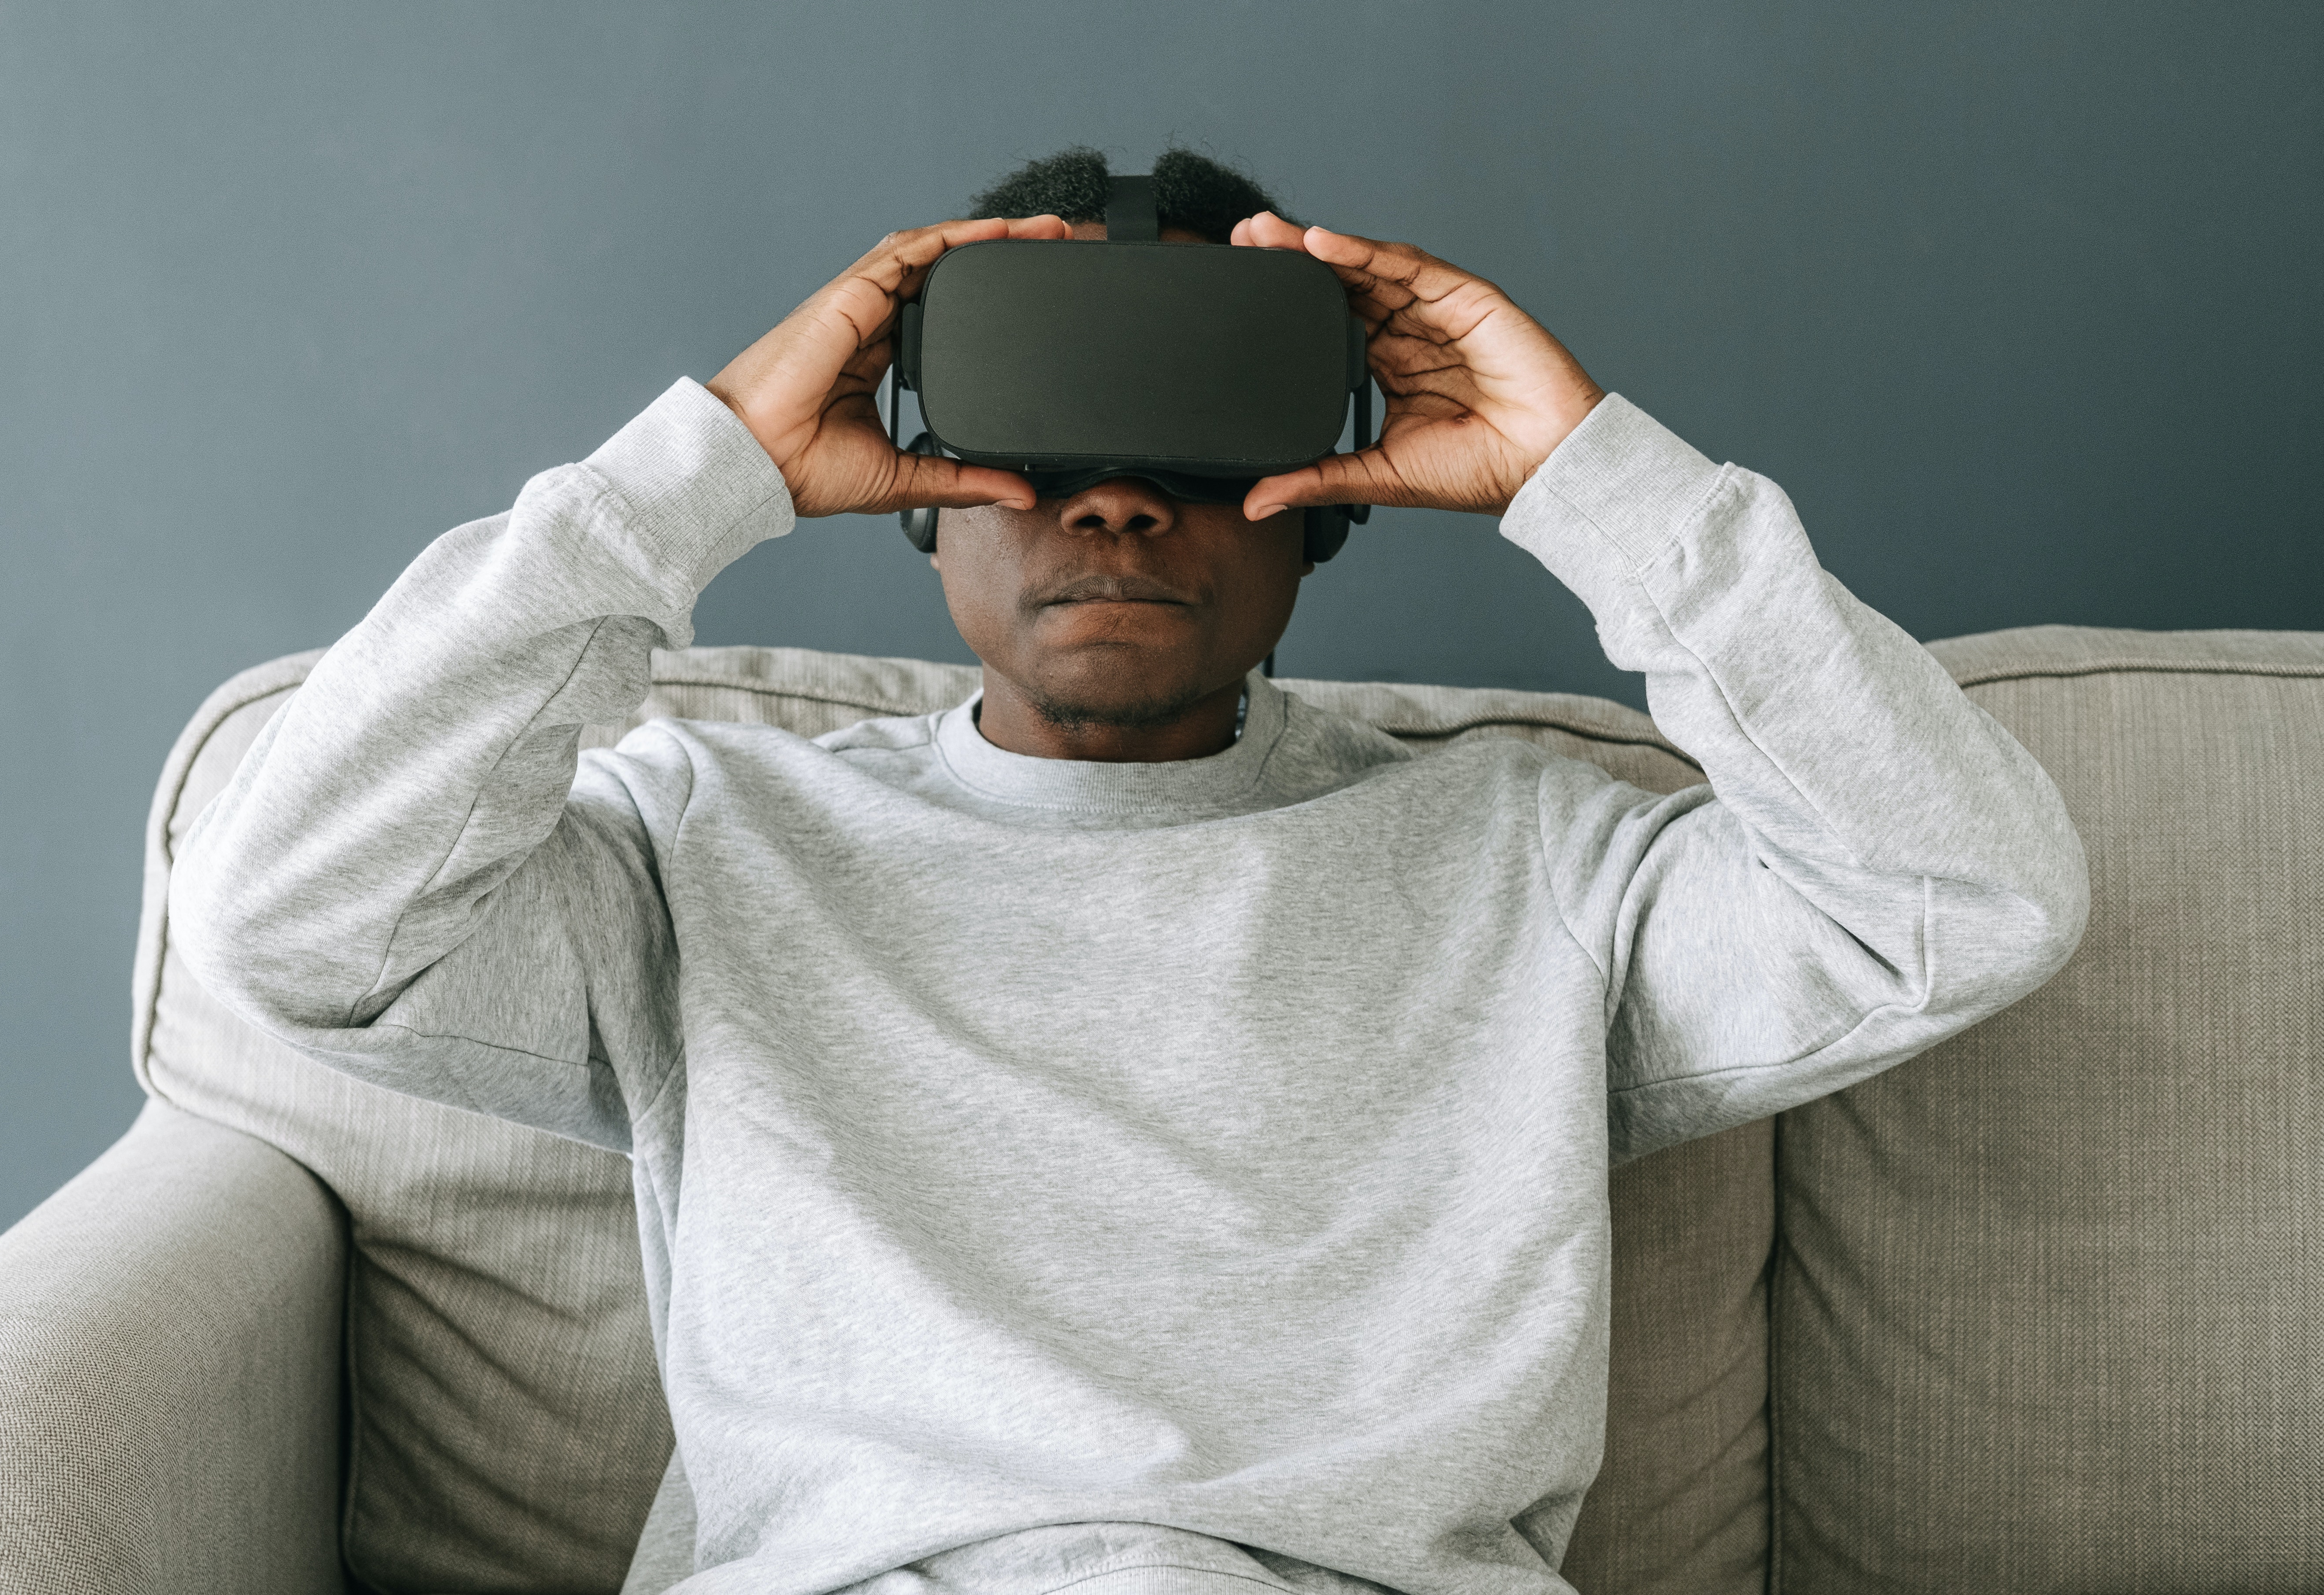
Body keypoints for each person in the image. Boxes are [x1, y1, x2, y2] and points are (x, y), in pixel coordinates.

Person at [171, 147, 2088, 1595]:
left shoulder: (1530, 856)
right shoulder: (708, 838)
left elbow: (1968, 896)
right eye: (1039, 435)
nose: (1110, 498)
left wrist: (1580, 469)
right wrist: (697, 477)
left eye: (1189, 439)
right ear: (919, 490)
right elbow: (294, 922)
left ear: (1320, 512)